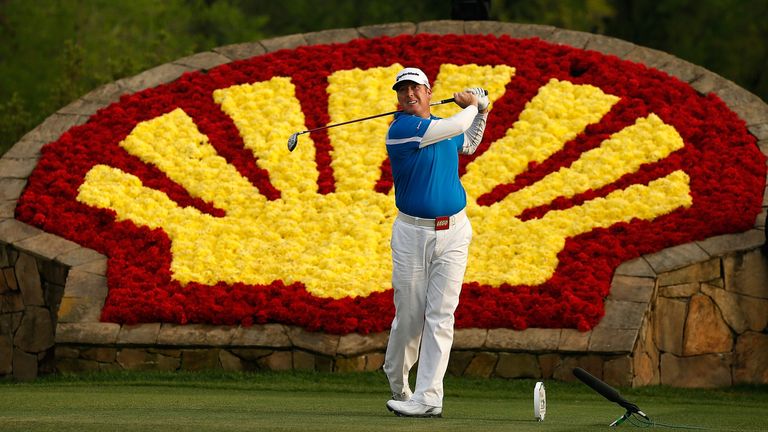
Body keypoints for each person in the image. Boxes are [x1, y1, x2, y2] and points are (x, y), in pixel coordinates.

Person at [383, 67, 489, 418]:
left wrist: (482, 113)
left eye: (416, 89)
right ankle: (399, 383)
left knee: (441, 316)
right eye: (403, 91)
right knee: (411, 317)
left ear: (429, 92)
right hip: (413, 234)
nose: (409, 95)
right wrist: (475, 103)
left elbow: (469, 141)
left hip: (455, 231)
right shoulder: (402, 130)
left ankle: (428, 398)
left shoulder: (442, 126)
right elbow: (459, 125)